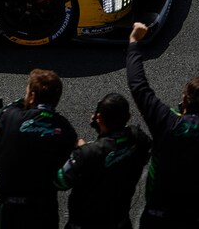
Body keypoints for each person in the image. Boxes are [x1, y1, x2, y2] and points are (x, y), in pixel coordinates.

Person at [127, 22, 199, 229]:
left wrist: (134, 43)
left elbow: (138, 86)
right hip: (194, 216)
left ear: (184, 99)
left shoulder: (167, 121)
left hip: (157, 216)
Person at [0, 69, 77, 229]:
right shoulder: (66, 129)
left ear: (32, 96)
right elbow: (65, 179)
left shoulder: (11, 117)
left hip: (11, 208)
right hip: (44, 210)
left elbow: (5, 110)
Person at [54, 92, 152, 229]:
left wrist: (81, 151)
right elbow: (122, 143)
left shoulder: (87, 154)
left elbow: (60, 182)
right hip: (120, 222)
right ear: (128, 117)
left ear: (98, 118)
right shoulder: (139, 140)